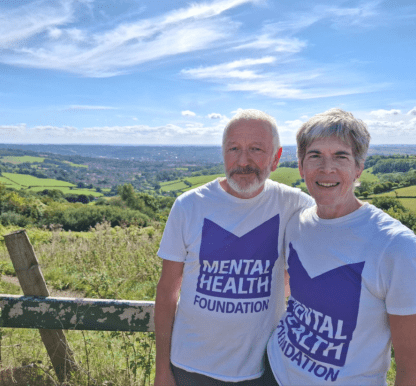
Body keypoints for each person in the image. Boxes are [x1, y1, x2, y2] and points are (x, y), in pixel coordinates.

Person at [154, 109, 314, 386]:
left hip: (264, 369)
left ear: (276, 157)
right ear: (223, 153)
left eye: (256, 149)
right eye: (234, 149)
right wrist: (161, 370)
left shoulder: (295, 206)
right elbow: (167, 290)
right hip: (190, 367)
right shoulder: (189, 206)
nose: (243, 161)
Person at [267, 108, 416, 385]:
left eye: (341, 156)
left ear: (358, 167)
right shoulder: (296, 224)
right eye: (315, 156)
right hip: (274, 369)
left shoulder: (395, 246)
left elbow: (411, 367)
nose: (327, 168)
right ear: (301, 166)